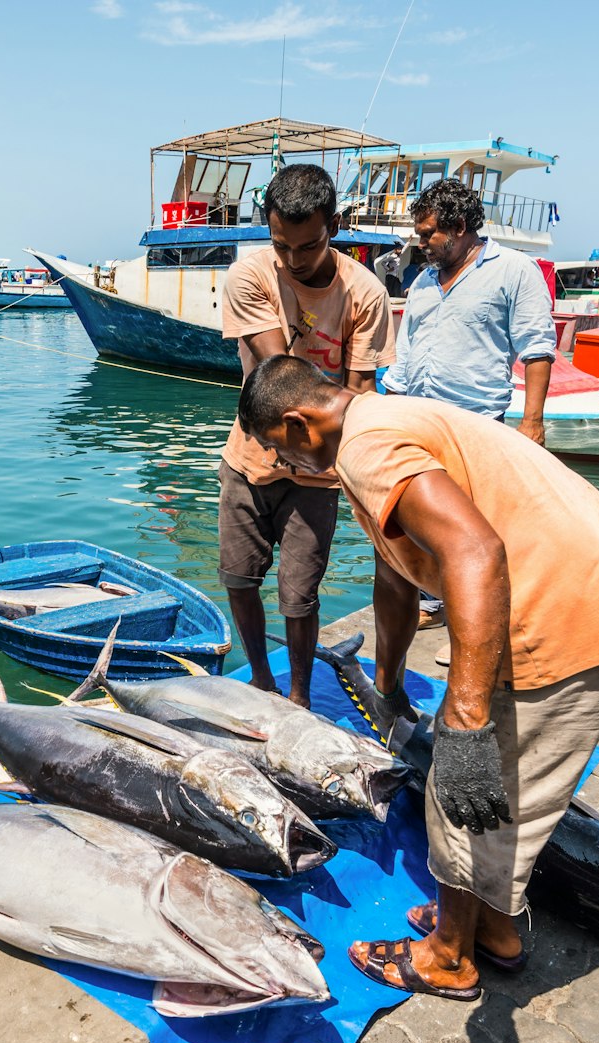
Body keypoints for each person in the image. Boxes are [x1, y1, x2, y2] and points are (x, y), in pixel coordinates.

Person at [235, 355, 599, 999]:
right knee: (510, 793)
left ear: (302, 424)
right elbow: (398, 576)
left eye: (284, 453)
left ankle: (447, 955)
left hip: (558, 615)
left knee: (463, 791)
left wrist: (465, 713)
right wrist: (386, 685)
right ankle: (492, 931)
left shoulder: (365, 448)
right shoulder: (385, 418)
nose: (290, 469)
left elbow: (474, 549)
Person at [217, 162, 394, 705]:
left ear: (334, 226)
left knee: (299, 597)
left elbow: (360, 396)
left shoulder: (364, 294)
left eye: (309, 246)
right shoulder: (249, 275)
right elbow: (278, 379)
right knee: (239, 579)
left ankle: (298, 696)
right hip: (249, 458)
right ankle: (261, 681)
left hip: (317, 475)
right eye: (282, 246)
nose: (294, 260)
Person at [378, 179, 555, 444]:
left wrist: (531, 422)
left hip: (477, 427)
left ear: (459, 227)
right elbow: (405, 354)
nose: (421, 244)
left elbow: (537, 347)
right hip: (416, 423)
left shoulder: (514, 269)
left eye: (428, 234)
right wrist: (388, 418)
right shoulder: (423, 281)